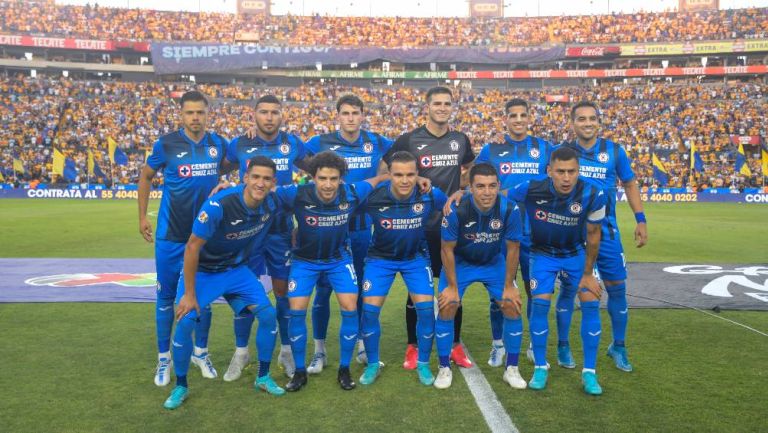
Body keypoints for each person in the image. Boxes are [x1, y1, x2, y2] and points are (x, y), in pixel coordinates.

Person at [163, 156, 285, 410]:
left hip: (236, 271)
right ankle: (181, 386)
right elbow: (192, 247)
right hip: (204, 273)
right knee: (185, 321)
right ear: (245, 178)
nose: (260, 183)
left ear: (273, 182)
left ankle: (263, 377)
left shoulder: (272, 202)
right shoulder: (219, 204)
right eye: (255, 177)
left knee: (268, 315)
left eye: (266, 179)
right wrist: (189, 294)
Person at [276, 151, 389, 392]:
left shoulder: (352, 192)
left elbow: (378, 180)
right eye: (322, 178)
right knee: (296, 311)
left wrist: (415, 179)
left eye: (333, 179)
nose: (328, 184)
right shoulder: (296, 193)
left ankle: (344, 369)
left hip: (339, 260)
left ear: (341, 179)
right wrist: (225, 189)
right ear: (312, 177)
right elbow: (262, 191)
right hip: (304, 261)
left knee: (350, 306)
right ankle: (299, 371)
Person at [138, 90, 227, 386]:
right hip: (171, 236)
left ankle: (200, 352)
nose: (195, 118)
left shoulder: (218, 144)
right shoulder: (166, 144)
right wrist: (141, 216)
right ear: (181, 114)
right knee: (165, 297)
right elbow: (146, 176)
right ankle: (163, 359)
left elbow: (240, 160)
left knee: (203, 297)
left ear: (207, 113)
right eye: (190, 112)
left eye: (200, 112)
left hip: (205, 237)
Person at [384, 86, 475, 370]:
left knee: (452, 287)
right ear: (427, 106)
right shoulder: (409, 139)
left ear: (452, 107)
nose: (442, 108)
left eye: (447, 103)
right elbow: (387, 167)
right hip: (418, 226)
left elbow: (471, 166)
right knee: (417, 291)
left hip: (449, 226)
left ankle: (456, 345)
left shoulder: (460, 140)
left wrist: (463, 189)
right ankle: (413, 346)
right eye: (437, 103)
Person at [303, 94, 393, 373]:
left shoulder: (377, 142)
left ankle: (363, 345)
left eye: (356, 112)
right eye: (346, 112)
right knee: (323, 291)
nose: (351, 117)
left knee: (364, 288)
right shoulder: (319, 143)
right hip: (327, 228)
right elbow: (294, 154)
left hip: (364, 228)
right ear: (338, 115)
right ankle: (319, 351)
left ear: (362, 115)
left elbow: (407, 153)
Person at [222, 95, 309, 382]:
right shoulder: (239, 144)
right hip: (248, 233)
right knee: (243, 292)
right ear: (254, 115)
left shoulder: (293, 143)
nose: (269, 117)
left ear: (282, 115)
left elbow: (318, 170)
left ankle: (285, 351)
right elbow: (218, 168)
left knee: (284, 294)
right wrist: (219, 188)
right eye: (264, 112)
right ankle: (241, 352)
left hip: (281, 233)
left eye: (274, 112)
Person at [556, 101, 648, 373]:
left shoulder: (615, 151)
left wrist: (640, 219)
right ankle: (563, 345)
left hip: (607, 232)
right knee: (575, 291)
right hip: (572, 234)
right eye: (581, 119)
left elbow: (630, 183)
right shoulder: (562, 153)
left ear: (598, 122)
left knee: (617, 287)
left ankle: (618, 346)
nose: (587, 123)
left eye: (592, 119)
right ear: (572, 123)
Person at [508, 146, 607, 395]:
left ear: (578, 171)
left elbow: (594, 236)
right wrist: (461, 195)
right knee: (540, 305)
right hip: (542, 255)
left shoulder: (594, 193)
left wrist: (588, 273)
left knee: (590, 302)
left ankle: (590, 373)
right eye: (560, 171)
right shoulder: (531, 187)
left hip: (576, 255)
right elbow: (500, 197)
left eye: (571, 171)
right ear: (549, 171)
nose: (566, 177)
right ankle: (541, 366)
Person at [471, 98, 553, 367]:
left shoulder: (544, 149)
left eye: (523, 115)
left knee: (534, 291)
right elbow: (476, 184)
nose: (518, 120)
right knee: (498, 294)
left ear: (529, 117)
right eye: (513, 115)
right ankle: (498, 344)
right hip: (500, 233)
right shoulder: (491, 150)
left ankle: (532, 344)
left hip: (535, 233)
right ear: (505, 119)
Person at [358, 151, 447, 386]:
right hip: (380, 259)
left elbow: (452, 204)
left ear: (418, 174)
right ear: (390, 175)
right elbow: (346, 197)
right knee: (369, 313)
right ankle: (373, 364)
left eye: (410, 175)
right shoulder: (374, 196)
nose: (405, 180)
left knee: (426, 311)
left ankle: (424, 364)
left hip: (415, 259)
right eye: (398, 175)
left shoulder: (428, 194)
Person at [434, 163, 525, 390]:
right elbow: (446, 249)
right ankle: (444, 367)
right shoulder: (456, 209)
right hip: (461, 263)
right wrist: (452, 287)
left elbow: (513, 248)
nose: (487, 192)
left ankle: (511, 368)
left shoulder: (509, 209)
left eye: (492, 186)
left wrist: (510, 284)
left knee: (511, 304)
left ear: (498, 186)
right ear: (470, 188)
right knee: (448, 304)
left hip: (492, 263)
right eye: (481, 186)